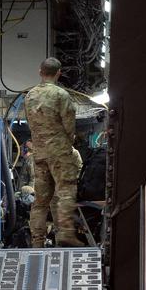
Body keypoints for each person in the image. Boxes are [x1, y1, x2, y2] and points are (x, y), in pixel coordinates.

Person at [24, 58, 85, 247]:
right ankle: (65, 234)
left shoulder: (30, 96)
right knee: (66, 190)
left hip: (39, 153)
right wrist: (67, 141)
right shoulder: (61, 95)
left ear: (40, 71)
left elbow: (30, 122)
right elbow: (69, 124)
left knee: (41, 201)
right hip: (59, 152)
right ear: (59, 73)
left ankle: (37, 241)